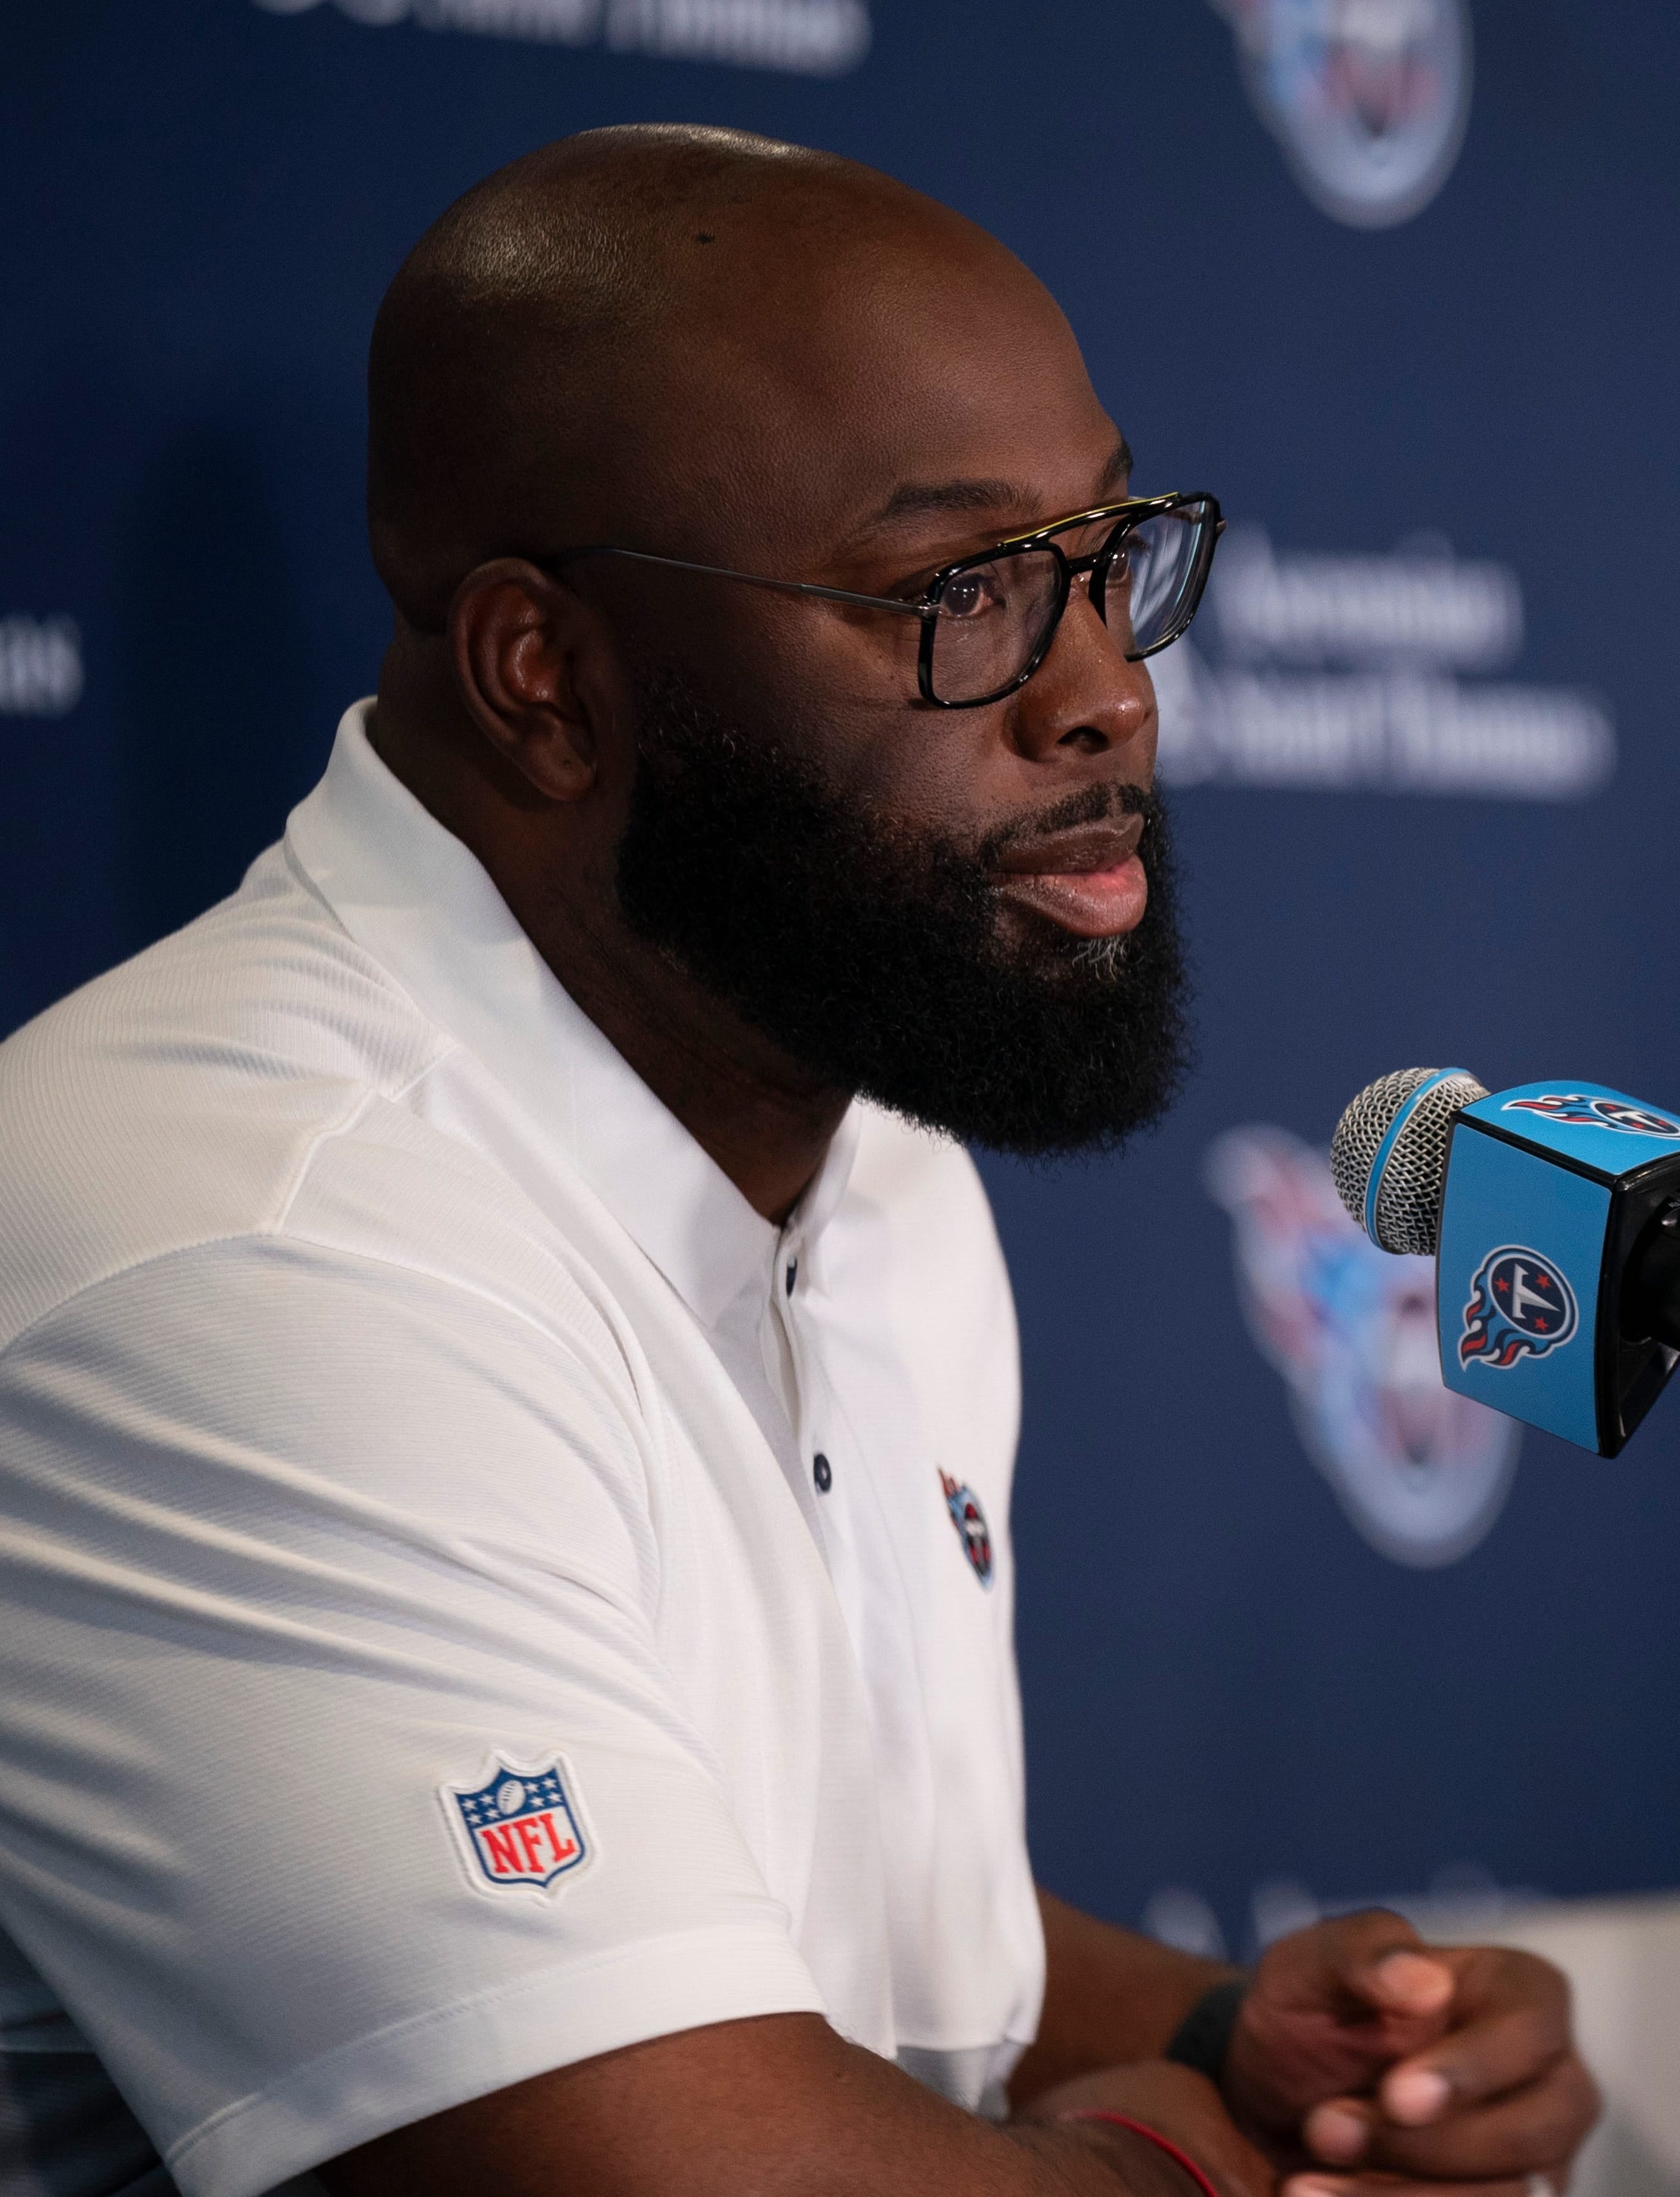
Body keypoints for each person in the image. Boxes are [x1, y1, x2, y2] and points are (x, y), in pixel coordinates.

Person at [0, 128, 1594, 2197]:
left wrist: (1247, 2048)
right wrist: (1183, 2168)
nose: (1107, 690)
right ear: (543, 679)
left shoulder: (858, 1121)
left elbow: (807, 1949)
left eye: (1110, 555)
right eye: (962, 592)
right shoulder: (241, 1258)